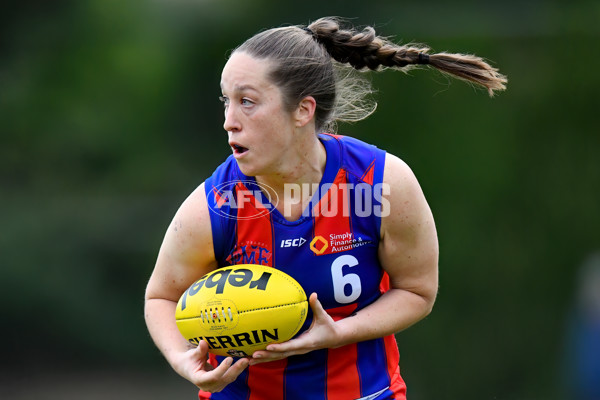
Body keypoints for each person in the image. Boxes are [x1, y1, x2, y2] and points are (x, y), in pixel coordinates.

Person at [144, 16, 506, 400]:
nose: (229, 122)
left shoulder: (380, 182)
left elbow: (417, 291)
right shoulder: (215, 205)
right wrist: (181, 358)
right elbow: (162, 296)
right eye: (226, 101)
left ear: (303, 110)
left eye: (247, 102)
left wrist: (338, 334)